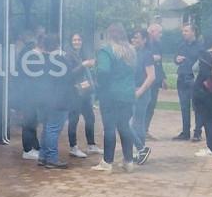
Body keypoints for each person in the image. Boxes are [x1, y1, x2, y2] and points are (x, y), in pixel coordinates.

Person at [91, 24, 138, 173]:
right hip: (127, 94)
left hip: (110, 95)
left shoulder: (106, 51)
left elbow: (103, 71)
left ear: (109, 35)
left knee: (109, 128)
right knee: (124, 126)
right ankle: (128, 161)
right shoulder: (131, 51)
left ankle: (107, 162)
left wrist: (99, 83)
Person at [38, 35, 84, 169]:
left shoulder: (40, 59)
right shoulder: (59, 59)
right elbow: (69, 77)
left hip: (44, 98)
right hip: (59, 99)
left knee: (47, 128)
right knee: (53, 129)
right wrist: (82, 66)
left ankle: (43, 156)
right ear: (57, 45)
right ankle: (52, 159)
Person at [127, 28, 158, 164]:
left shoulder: (147, 54)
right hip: (130, 91)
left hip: (141, 93)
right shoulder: (132, 53)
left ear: (144, 40)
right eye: (133, 37)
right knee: (134, 123)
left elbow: (151, 76)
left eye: (137, 37)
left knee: (136, 123)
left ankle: (141, 150)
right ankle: (140, 151)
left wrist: (139, 92)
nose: (134, 40)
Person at [65, 33, 98, 157]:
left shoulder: (83, 54)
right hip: (74, 92)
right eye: (74, 40)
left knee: (90, 118)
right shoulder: (68, 55)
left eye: (79, 39)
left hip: (85, 92)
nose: (77, 42)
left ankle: (91, 145)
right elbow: (69, 74)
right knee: (74, 119)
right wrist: (83, 65)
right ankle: (73, 147)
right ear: (71, 41)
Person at [172, 22, 205, 141]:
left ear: (193, 32)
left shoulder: (201, 46)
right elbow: (175, 58)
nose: (183, 33)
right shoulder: (181, 45)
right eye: (183, 31)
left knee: (197, 106)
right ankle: (185, 132)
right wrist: (177, 59)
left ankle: (197, 132)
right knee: (184, 106)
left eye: (186, 31)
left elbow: (203, 62)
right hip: (182, 78)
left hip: (194, 79)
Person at [144, 22, 166, 139]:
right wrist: (152, 58)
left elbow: (160, 63)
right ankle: (139, 129)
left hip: (156, 79)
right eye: (159, 32)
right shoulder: (144, 43)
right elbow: (139, 57)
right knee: (144, 104)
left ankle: (145, 129)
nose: (160, 35)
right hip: (145, 79)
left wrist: (163, 77)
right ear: (152, 32)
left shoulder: (158, 45)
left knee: (152, 105)